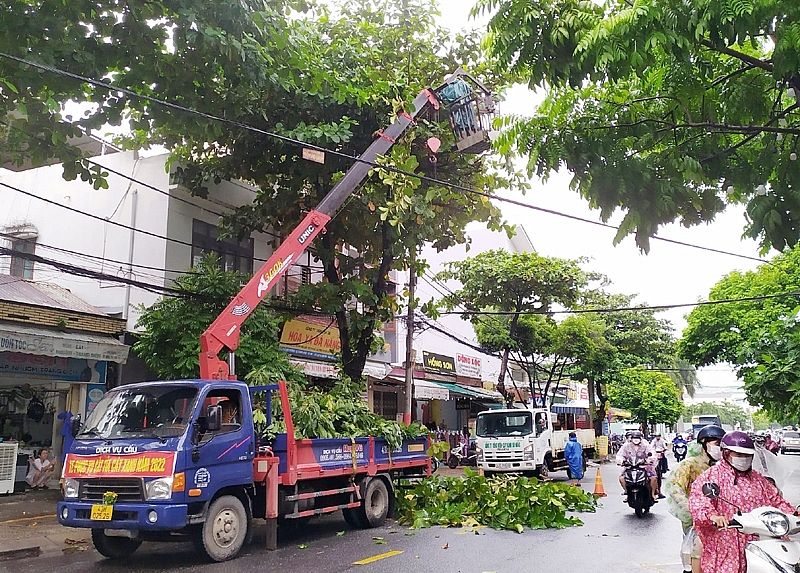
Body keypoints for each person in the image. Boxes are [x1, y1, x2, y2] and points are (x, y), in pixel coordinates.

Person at [689, 431, 796, 573]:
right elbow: (699, 502)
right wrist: (713, 516)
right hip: (726, 542)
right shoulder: (711, 476)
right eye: (739, 455)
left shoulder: (758, 479)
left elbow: (775, 500)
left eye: (747, 455)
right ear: (726, 453)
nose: (743, 459)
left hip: (760, 541)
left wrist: (794, 513)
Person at [664, 425, 725, 573]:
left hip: (719, 519)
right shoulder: (689, 464)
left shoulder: (719, 467)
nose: (720, 449)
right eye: (717, 444)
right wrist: (693, 509)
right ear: (704, 443)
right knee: (697, 553)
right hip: (695, 519)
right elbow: (675, 488)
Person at [616, 430, 659, 502]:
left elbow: (652, 453)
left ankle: (652, 495)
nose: (636, 440)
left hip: (644, 467)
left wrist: (649, 460)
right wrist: (621, 461)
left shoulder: (645, 445)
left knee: (653, 478)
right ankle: (628, 493)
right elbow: (620, 455)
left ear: (641, 439)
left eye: (638, 438)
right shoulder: (626, 446)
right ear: (631, 439)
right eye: (634, 438)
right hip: (629, 467)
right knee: (622, 478)